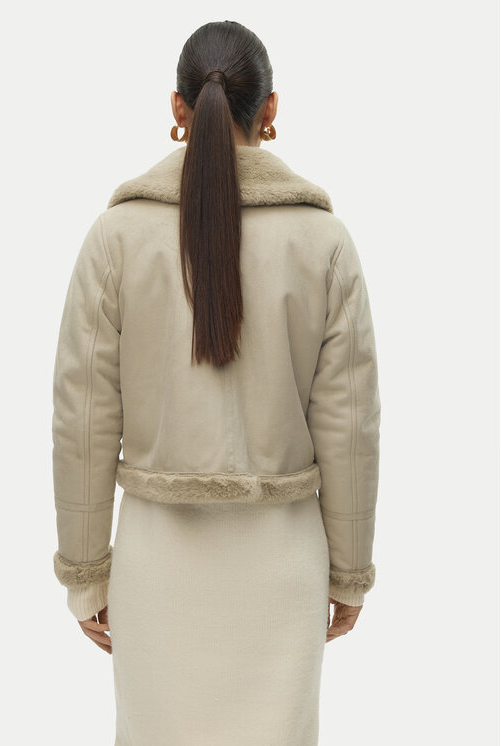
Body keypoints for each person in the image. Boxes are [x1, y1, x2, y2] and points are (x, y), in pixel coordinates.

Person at [51, 19, 381, 746]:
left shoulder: (116, 238)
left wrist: (85, 570)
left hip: (155, 569)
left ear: (177, 108)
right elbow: (350, 426)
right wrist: (349, 571)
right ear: (270, 109)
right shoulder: (325, 243)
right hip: (283, 568)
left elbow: (83, 418)